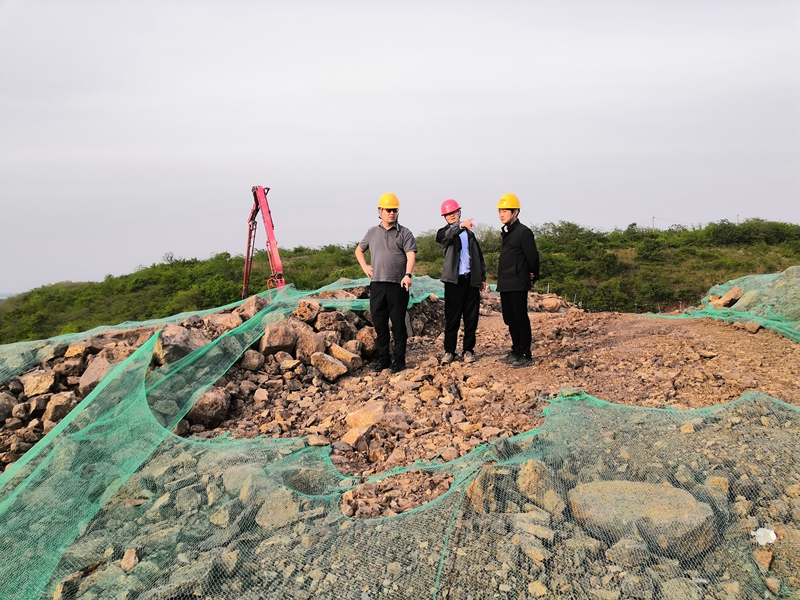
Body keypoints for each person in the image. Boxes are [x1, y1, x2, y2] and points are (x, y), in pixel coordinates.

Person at [355, 193, 418, 373]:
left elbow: (410, 255)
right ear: (380, 211)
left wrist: (408, 274)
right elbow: (359, 250)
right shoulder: (372, 232)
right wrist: (365, 267)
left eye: (394, 210)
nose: (392, 213)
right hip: (377, 284)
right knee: (380, 324)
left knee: (398, 324)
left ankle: (399, 361)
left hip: (398, 284)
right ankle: (384, 359)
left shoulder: (404, 233)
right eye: (388, 210)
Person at [436, 199, 486, 364]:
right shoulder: (445, 233)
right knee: (452, 319)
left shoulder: (470, 235)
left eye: (454, 212)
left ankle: (468, 350)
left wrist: (482, 278)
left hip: (470, 281)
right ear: (445, 217)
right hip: (454, 282)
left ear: (459, 212)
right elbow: (446, 236)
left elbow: (478, 257)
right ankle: (449, 351)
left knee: (471, 319)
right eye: (448, 214)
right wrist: (460, 226)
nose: (452, 215)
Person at [496, 193, 540, 368]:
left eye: (505, 211)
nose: (501, 214)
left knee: (520, 318)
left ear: (515, 212)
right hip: (505, 282)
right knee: (510, 319)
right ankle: (515, 351)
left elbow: (533, 257)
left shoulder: (523, 232)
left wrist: (534, 274)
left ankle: (525, 354)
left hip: (517, 282)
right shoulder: (506, 232)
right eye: (499, 211)